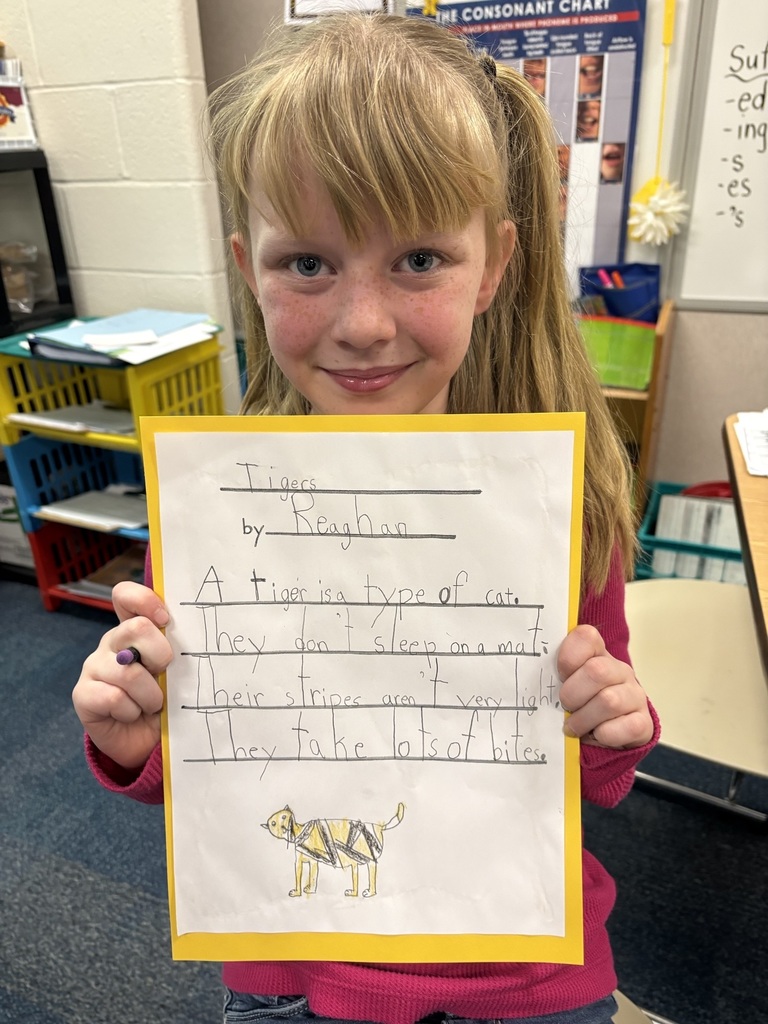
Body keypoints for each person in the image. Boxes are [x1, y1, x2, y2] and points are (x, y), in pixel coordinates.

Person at [72, 12, 658, 1024]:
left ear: (496, 265)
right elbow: (210, 774)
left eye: (420, 259)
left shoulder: (562, 506)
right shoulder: (220, 517)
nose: (364, 322)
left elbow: (598, 770)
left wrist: (615, 724)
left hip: (524, 975)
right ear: (249, 267)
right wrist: (135, 738)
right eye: (307, 264)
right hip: (294, 974)